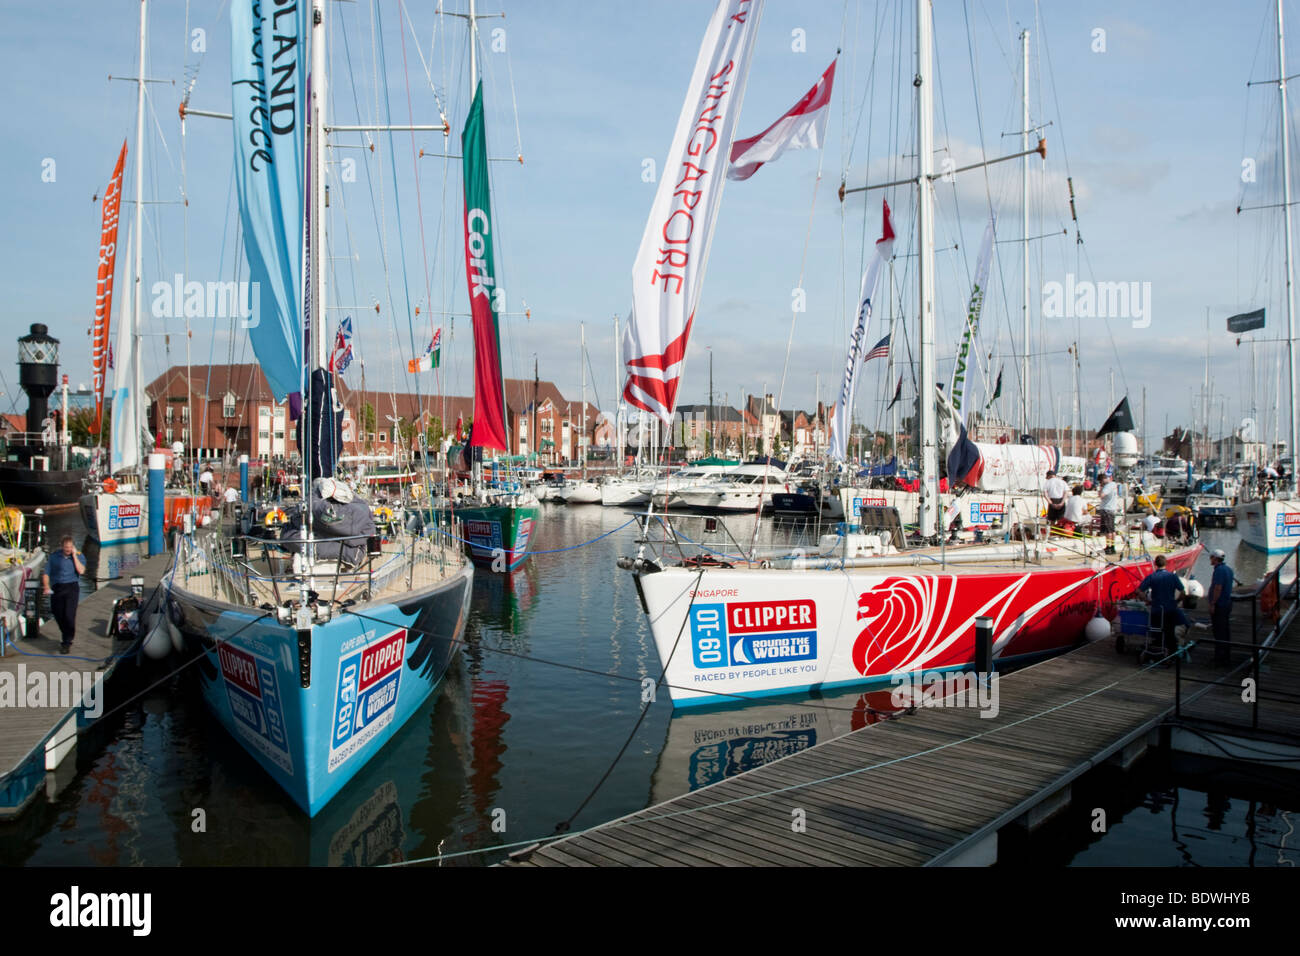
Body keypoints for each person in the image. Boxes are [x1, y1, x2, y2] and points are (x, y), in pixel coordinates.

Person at [41, 535, 85, 654]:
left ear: (73, 547)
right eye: (66, 548)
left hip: (71, 587)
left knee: (69, 616)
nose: (68, 550)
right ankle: (66, 633)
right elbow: (46, 573)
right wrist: (46, 586)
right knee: (58, 613)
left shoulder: (79, 556)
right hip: (57, 587)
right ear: (62, 547)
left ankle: (67, 641)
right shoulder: (54, 557)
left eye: (70, 547)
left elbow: (81, 571)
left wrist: (75, 556)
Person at [1138, 554, 1186, 653]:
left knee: (1156, 629)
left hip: (1157, 608)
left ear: (1155, 564)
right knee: (1169, 630)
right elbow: (1183, 592)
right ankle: (1170, 649)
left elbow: (1139, 591)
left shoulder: (1152, 577)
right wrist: (1177, 601)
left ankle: (1158, 644)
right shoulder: (1173, 576)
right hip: (1170, 609)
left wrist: (1146, 601)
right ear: (1166, 564)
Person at [1208, 549, 1235, 665]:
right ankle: (1226, 655)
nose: (1210, 559)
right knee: (1225, 630)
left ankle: (1220, 658)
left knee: (1218, 631)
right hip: (1227, 603)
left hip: (1220, 604)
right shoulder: (1229, 569)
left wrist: (1213, 603)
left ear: (1215, 558)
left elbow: (1218, 588)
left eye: (1211, 557)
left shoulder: (1219, 571)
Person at [1099, 474, 1121, 554]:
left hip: (1106, 509)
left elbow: (1101, 495)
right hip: (1112, 509)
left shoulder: (1107, 486)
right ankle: (1112, 546)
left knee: (1108, 530)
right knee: (1112, 529)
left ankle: (1109, 547)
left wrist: (1101, 488)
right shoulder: (1113, 484)